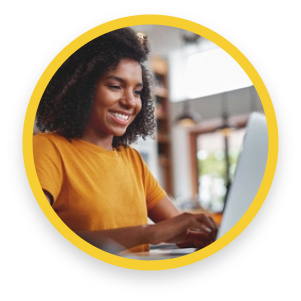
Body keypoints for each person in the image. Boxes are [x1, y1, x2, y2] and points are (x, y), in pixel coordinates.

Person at [33, 27, 218, 254]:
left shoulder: (131, 159)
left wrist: (209, 232)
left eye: (138, 91)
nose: (131, 102)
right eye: (115, 86)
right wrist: (149, 232)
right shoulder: (46, 149)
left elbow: (183, 230)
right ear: (81, 89)